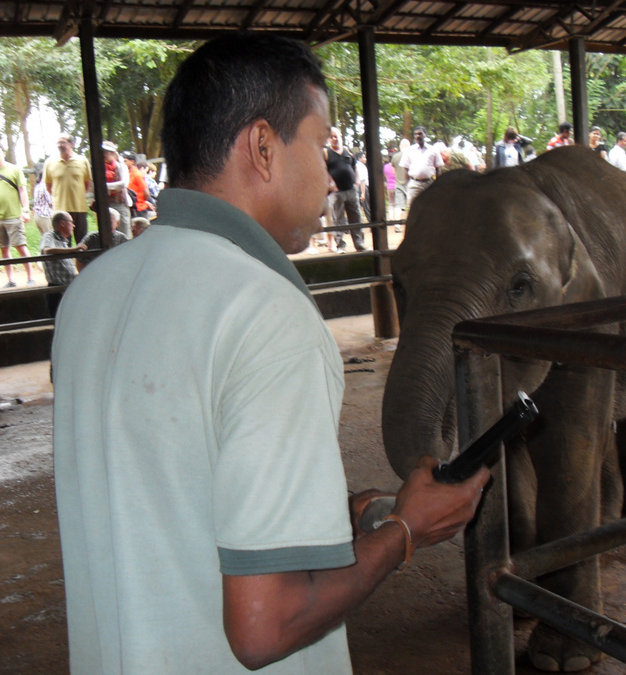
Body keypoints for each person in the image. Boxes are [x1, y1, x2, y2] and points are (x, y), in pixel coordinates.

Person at [51, 32, 489, 674]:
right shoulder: (264, 312)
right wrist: (406, 533)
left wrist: (331, 517)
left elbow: (169, 496)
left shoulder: (92, 292)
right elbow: (265, 625)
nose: (328, 166)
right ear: (262, 146)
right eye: (320, 142)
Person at [0, 141, 34, 288]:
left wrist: (25, 209)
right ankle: (11, 280)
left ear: (3, 153)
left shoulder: (14, 170)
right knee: (4, 249)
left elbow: (22, 190)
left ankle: (30, 277)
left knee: (21, 247)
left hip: (13, 216)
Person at [43, 133, 91, 244]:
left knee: (82, 241)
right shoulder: (49, 162)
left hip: (79, 208)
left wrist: (78, 196)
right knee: (62, 242)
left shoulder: (82, 161)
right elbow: (48, 186)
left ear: (71, 144)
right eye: (58, 143)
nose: (60, 145)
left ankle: (82, 261)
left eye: (63, 142)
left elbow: (86, 183)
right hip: (60, 210)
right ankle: (66, 262)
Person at [325, 127, 366, 253]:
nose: (334, 139)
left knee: (356, 217)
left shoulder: (348, 151)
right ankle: (340, 245)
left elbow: (355, 167)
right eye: (331, 137)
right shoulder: (326, 153)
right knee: (338, 219)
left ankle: (360, 244)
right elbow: (323, 171)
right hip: (337, 193)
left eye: (336, 136)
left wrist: (357, 182)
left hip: (351, 190)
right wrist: (332, 184)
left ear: (341, 137)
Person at [39, 211, 85, 317]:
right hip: (57, 290)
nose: (74, 225)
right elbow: (47, 250)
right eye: (71, 222)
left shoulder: (63, 241)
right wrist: (73, 249)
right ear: (63, 223)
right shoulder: (49, 236)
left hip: (68, 288)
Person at [76, 207, 130, 272]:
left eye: (109, 222)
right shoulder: (91, 237)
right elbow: (79, 259)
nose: (105, 224)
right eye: (104, 221)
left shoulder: (122, 238)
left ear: (117, 223)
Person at [400, 126, 443, 204]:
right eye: (415, 134)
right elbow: (405, 168)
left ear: (425, 135)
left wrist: (437, 184)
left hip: (429, 184)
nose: (417, 136)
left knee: (430, 206)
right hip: (414, 184)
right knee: (412, 207)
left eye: (420, 134)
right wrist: (408, 183)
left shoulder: (433, 150)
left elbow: (438, 168)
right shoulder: (409, 151)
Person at [102, 141, 131, 235]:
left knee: (124, 232)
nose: (104, 154)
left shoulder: (122, 167)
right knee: (107, 234)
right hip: (105, 205)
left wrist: (104, 186)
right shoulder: (99, 168)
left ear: (113, 153)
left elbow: (123, 184)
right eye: (103, 152)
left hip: (120, 204)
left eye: (106, 151)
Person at [123, 151, 153, 220]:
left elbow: (146, 193)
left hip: (139, 209)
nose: (123, 163)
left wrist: (141, 201)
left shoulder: (137, 174)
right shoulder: (126, 173)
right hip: (131, 208)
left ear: (132, 162)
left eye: (125, 161)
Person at [391, 138, 410, 219]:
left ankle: (397, 225)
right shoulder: (411, 155)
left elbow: (393, 172)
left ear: (400, 146)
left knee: (398, 205)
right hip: (410, 183)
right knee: (410, 205)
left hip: (398, 183)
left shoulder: (395, 157)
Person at [32, 168, 54, 235]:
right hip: (45, 215)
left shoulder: (38, 186)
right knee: (50, 239)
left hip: (37, 215)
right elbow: (51, 202)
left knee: (45, 238)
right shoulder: (45, 186)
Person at [355, 151, 370, 223]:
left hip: (358, 188)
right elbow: (362, 180)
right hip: (362, 188)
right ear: (359, 158)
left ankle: (359, 221)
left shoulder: (356, 165)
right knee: (366, 206)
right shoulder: (360, 166)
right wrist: (363, 193)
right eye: (363, 157)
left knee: (358, 206)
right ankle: (370, 221)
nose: (365, 159)